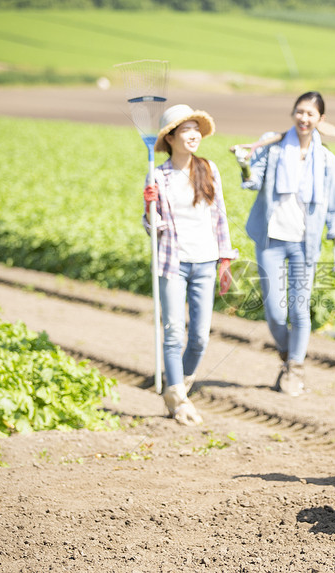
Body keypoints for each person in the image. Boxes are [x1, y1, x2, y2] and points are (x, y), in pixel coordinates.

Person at [233, 92, 335, 396]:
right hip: (271, 238)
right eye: (299, 112)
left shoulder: (326, 160)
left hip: (304, 244)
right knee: (274, 311)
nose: (303, 118)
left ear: (320, 119)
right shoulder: (274, 147)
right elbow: (252, 181)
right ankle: (287, 354)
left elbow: (333, 205)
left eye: (310, 114)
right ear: (293, 113)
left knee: (299, 310)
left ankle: (295, 367)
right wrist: (244, 164)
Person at [143, 104, 237, 426]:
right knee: (173, 333)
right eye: (186, 129)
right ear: (170, 137)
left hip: (205, 262)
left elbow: (220, 217)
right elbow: (154, 229)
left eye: (196, 129)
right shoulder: (159, 175)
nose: (194, 134)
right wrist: (148, 208)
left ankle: (178, 388)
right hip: (173, 262)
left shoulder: (209, 169)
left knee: (199, 337)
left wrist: (225, 259)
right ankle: (179, 399)